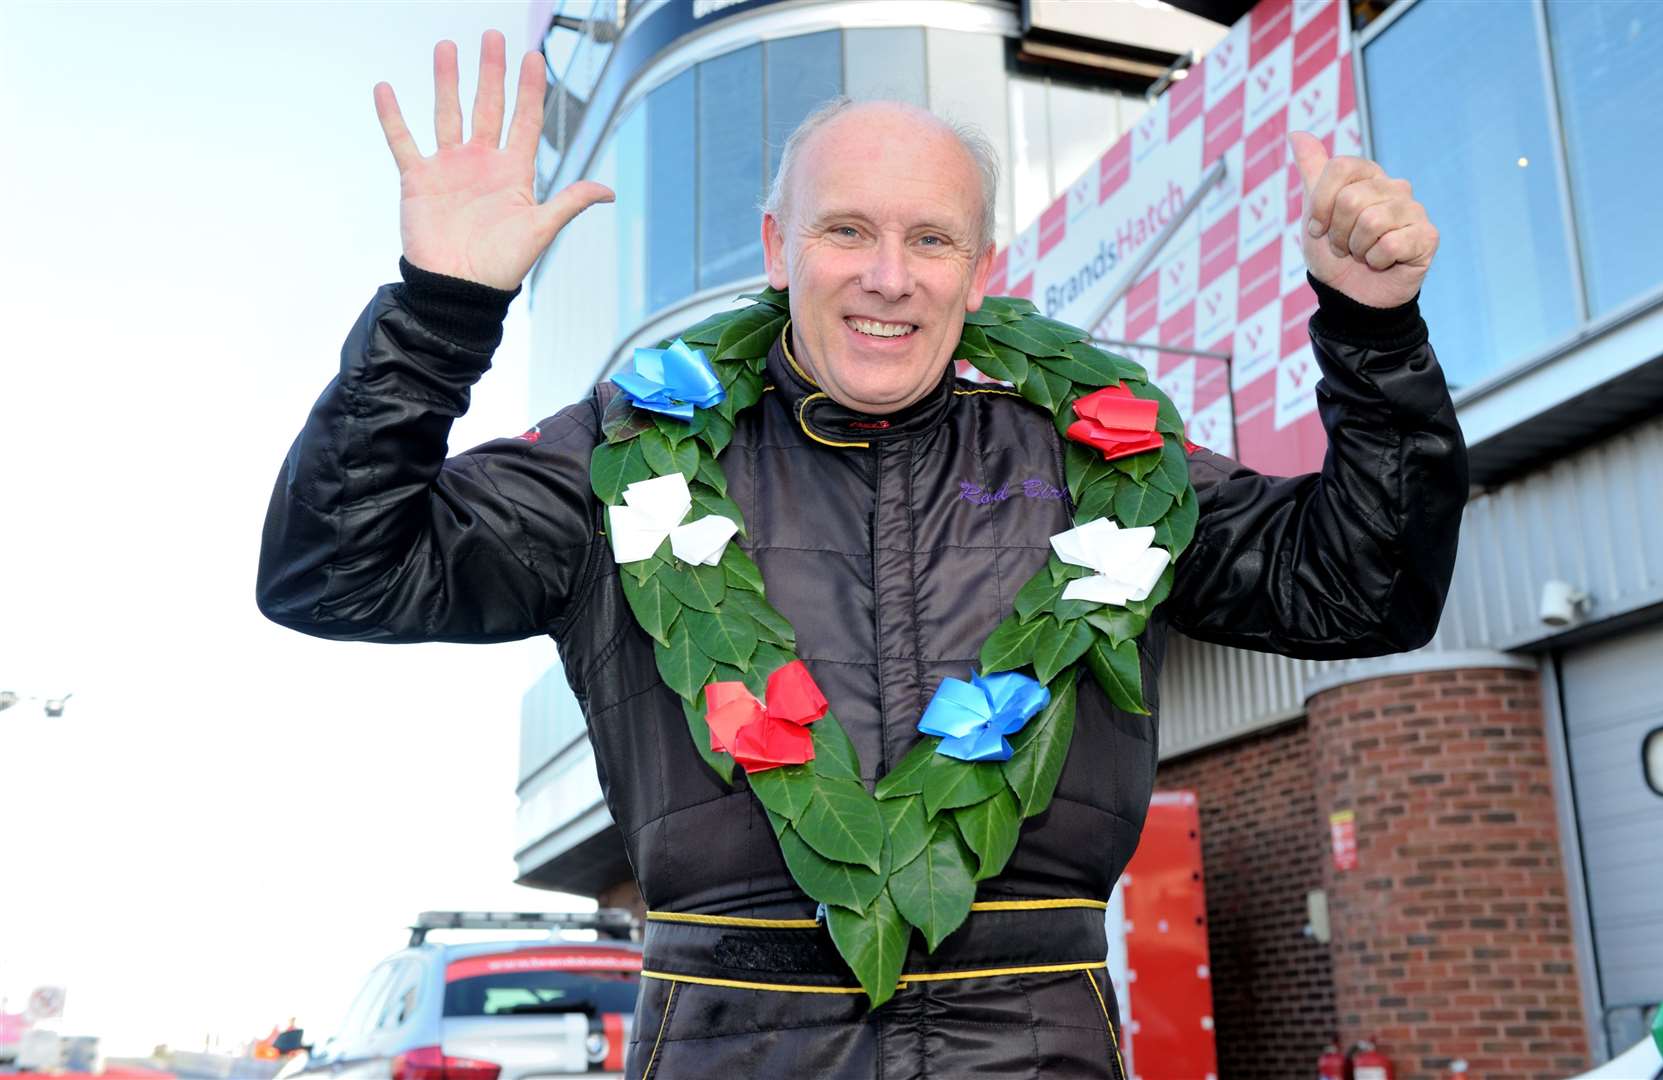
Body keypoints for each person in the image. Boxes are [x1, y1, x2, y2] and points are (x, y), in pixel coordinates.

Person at [257, 30, 1465, 1080]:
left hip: (1035, 1048)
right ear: (781, 246)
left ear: (983, 273)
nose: (889, 277)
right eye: (848, 229)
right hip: (731, 1047)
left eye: (931, 239)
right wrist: (441, 309)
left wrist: (1371, 331)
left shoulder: (1109, 461)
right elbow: (337, 569)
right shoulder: (620, 456)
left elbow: (1361, 587)